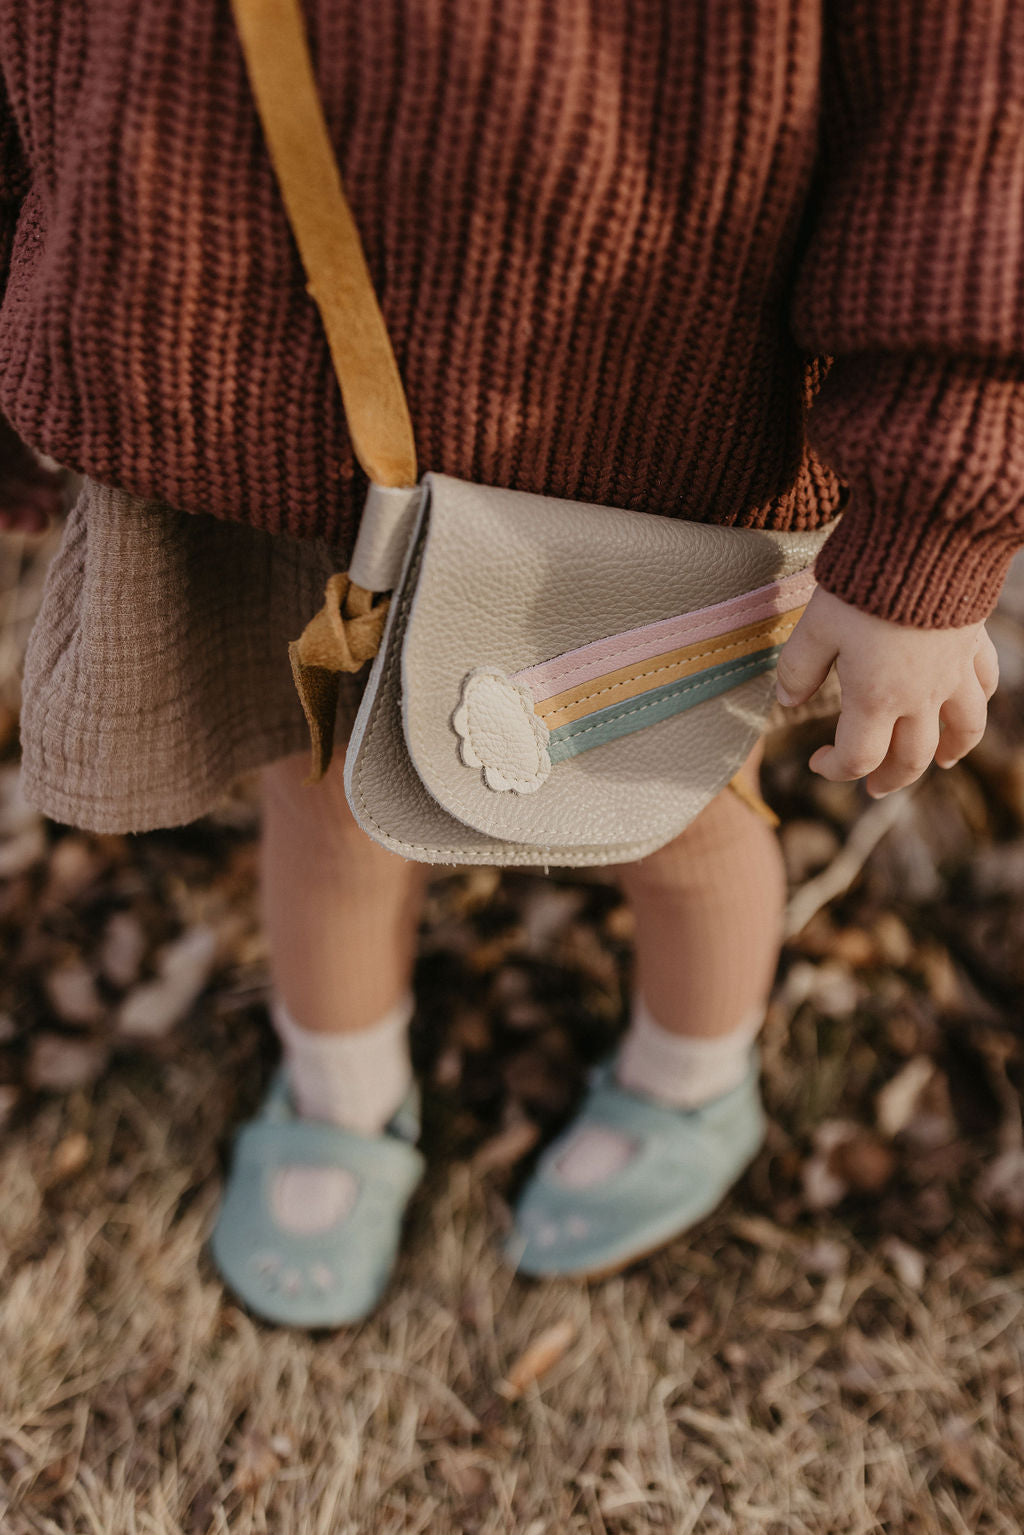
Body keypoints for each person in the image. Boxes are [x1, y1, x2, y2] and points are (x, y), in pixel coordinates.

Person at [0, 0, 1017, 1327]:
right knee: (324, 791)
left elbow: (969, 141)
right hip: (261, 405)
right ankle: (341, 1093)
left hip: (634, 441)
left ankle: (690, 1076)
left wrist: (936, 525)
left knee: (678, 816)